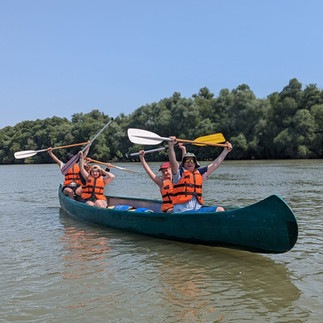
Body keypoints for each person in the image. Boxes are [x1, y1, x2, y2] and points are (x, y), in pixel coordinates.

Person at [168, 137, 233, 213]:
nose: (189, 162)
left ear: (195, 163)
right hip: (183, 211)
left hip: (197, 210)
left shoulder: (199, 173)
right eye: (187, 160)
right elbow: (173, 161)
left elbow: (215, 164)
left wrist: (225, 151)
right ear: (183, 163)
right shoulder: (179, 173)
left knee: (220, 209)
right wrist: (171, 146)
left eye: (192, 160)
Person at [139, 143, 186, 213]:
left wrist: (183, 149)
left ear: (171, 169)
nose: (165, 173)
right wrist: (142, 158)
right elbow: (149, 172)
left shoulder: (179, 178)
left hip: (181, 208)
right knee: (175, 210)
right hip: (169, 211)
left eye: (166, 170)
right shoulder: (161, 183)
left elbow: (184, 165)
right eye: (163, 172)